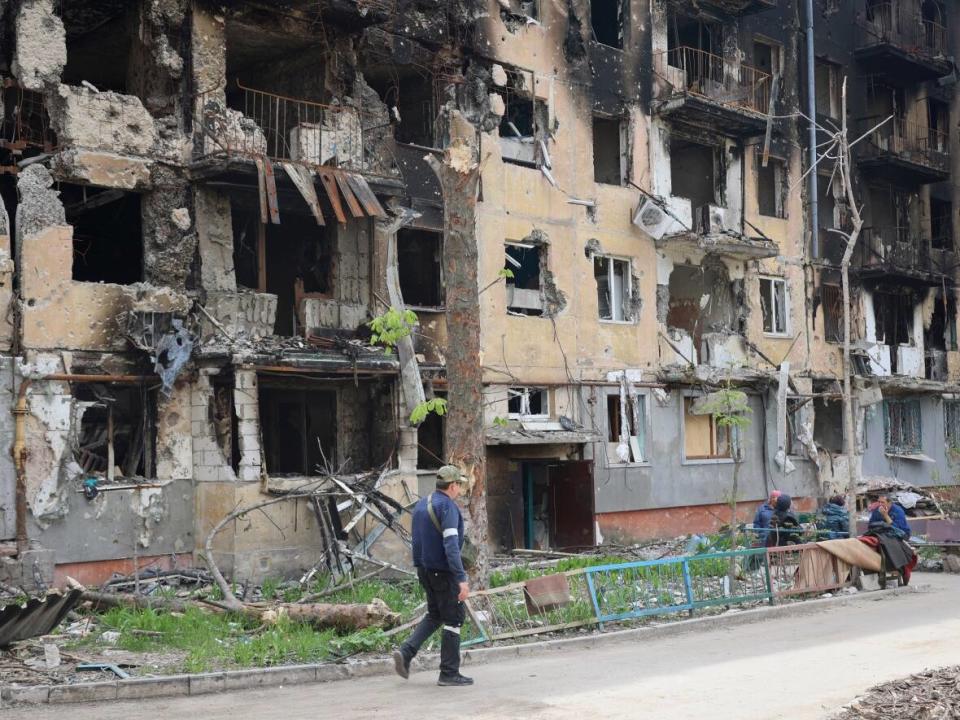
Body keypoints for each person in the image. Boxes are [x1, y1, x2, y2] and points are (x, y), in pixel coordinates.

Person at [393, 465, 474, 687]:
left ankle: (406, 652)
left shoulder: (422, 504)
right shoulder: (447, 507)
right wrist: (461, 578)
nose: (460, 489)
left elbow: (417, 541)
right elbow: (450, 545)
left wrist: (422, 566)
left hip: (425, 570)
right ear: (452, 485)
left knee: (435, 614)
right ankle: (449, 672)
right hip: (444, 572)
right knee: (454, 619)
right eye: (459, 484)